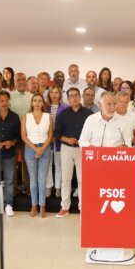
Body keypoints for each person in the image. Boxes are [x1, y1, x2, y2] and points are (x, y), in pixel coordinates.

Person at [54, 87, 94, 218]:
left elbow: (93, 132)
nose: (74, 98)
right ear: (68, 98)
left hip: (83, 149)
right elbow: (57, 133)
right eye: (71, 96)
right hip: (66, 149)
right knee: (66, 180)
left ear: (80, 96)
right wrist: (66, 139)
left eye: (76, 95)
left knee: (83, 180)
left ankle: (83, 208)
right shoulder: (63, 114)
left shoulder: (89, 114)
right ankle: (65, 207)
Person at [0, 90, 21, 217]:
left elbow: (18, 136)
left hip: (9, 154)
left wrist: (12, 143)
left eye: (6, 100)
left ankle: (9, 205)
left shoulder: (15, 116)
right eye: (1, 100)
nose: (4, 103)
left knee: (9, 180)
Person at [21, 93, 53, 217]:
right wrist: (36, 149)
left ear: (43, 103)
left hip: (45, 148)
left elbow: (50, 135)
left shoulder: (48, 117)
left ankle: (42, 206)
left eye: (40, 101)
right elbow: (23, 136)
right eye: (35, 100)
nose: (37, 103)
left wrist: (42, 149)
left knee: (42, 179)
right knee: (33, 179)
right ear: (32, 103)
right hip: (30, 149)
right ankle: (34, 205)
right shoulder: (25, 117)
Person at [10, 72, 33, 193]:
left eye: (23, 79)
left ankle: (27, 187)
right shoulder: (9, 96)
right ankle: (13, 188)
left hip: (28, 135)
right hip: (12, 135)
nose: (21, 82)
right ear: (14, 82)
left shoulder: (31, 97)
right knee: (12, 163)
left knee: (27, 163)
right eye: (18, 80)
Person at [45, 86, 67, 197]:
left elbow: (66, 125)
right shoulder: (45, 107)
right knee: (48, 164)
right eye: (52, 92)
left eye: (56, 92)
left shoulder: (65, 107)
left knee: (59, 164)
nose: (54, 94)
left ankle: (58, 188)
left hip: (59, 140)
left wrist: (57, 136)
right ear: (49, 95)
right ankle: (48, 187)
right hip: (47, 140)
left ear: (60, 94)